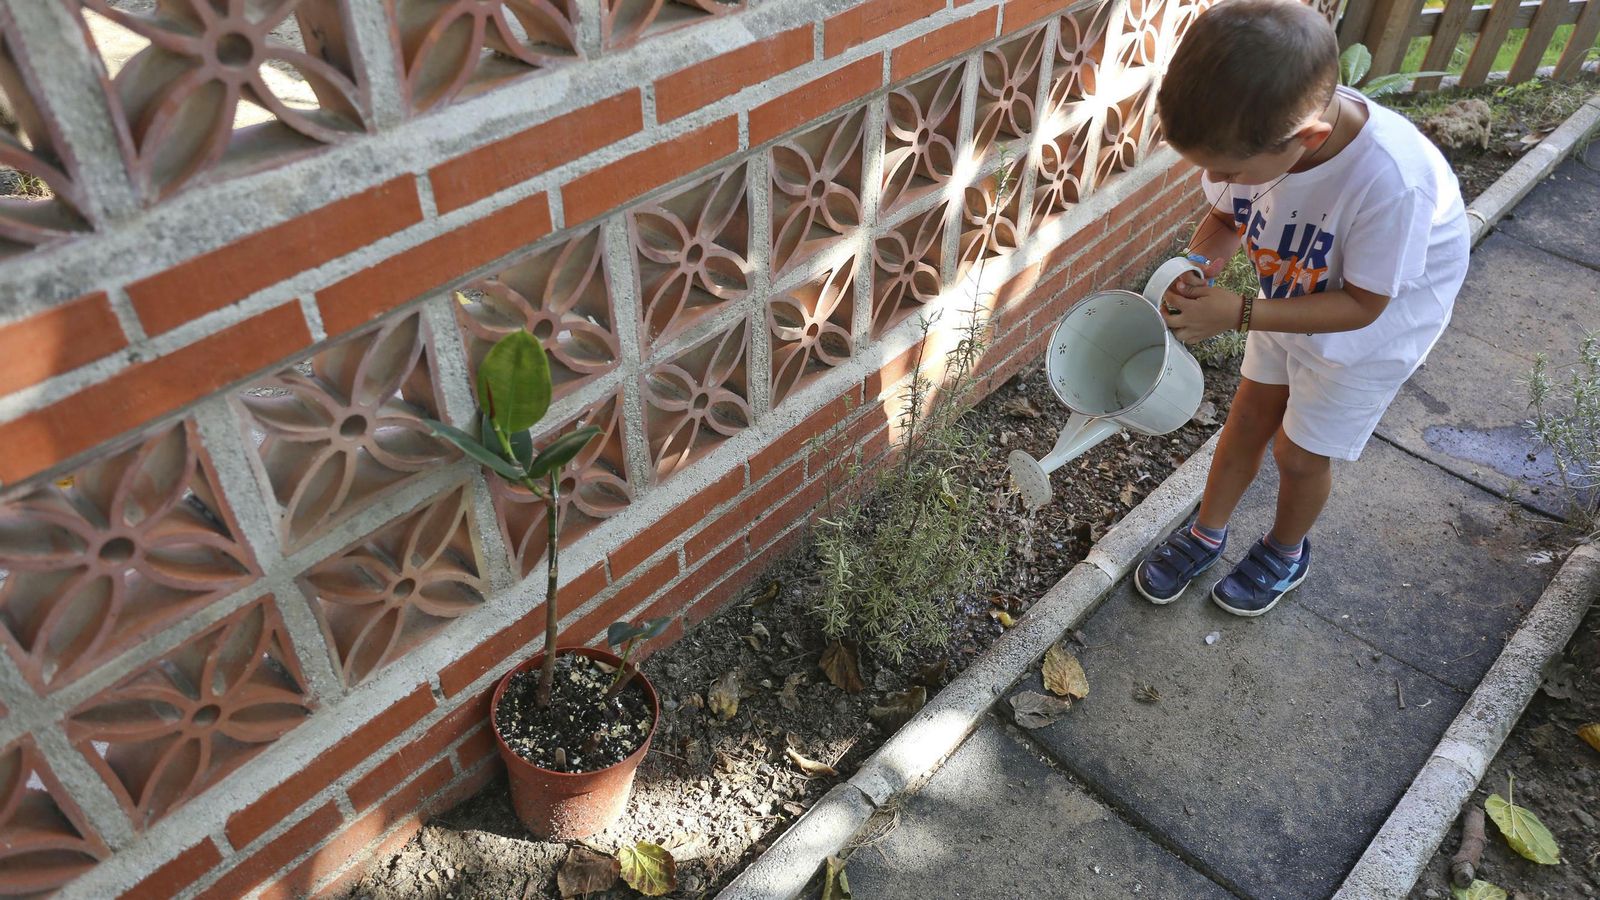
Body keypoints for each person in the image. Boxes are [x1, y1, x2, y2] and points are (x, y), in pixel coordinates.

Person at [1133, 0, 1470, 616]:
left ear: (1308, 138)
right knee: (1247, 419)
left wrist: (1239, 314)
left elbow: (1364, 304)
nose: (1217, 178)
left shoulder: (1392, 181)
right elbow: (1226, 218)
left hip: (1368, 333)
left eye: (1229, 169)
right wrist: (1199, 264)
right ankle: (1207, 533)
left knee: (1299, 453)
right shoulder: (1250, 144)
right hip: (1288, 294)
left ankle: (1285, 551)